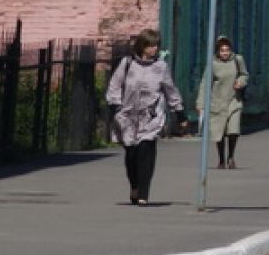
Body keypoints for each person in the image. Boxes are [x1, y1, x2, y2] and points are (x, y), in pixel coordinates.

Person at [106, 29, 183, 206]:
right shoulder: (127, 63)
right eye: (150, 46)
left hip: (151, 117)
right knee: (131, 155)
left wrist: (180, 113)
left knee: (146, 153)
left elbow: (170, 90)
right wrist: (115, 107)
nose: (154, 49)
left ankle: (144, 192)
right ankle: (134, 185)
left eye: (156, 45)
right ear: (142, 46)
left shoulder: (161, 67)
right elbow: (114, 85)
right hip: (127, 117)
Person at [201, 36, 249, 169]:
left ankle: (231, 157)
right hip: (218, 102)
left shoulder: (237, 60)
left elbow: (244, 74)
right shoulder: (212, 64)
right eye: (222, 51)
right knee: (220, 133)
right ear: (217, 51)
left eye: (227, 50)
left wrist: (241, 82)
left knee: (233, 130)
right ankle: (221, 159)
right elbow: (205, 83)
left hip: (234, 101)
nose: (225, 53)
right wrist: (201, 104)